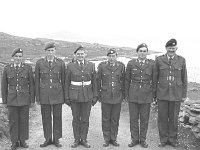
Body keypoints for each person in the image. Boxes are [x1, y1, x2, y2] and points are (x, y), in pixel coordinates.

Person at [154, 39, 187, 147]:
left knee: (173, 118)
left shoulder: (181, 60)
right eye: (170, 48)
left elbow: (184, 78)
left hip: (176, 94)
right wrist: (155, 95)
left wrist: (184, 95)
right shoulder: (159, 60)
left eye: (173, 48)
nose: (171, 50)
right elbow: (155, 78)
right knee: (162, 118)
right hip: (162, 93)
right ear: (166, 48)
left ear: (176, 48)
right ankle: (163, 140)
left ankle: (172, 140)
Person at [1, 48, 35, 150]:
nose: (18, 58)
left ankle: (23, 140)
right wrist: (4, 101)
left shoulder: (27, 68)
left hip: (24, 98)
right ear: (13, 57)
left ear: (22, 58)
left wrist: (32, 100)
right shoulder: (7, 69)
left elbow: (32, 85)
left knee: (24, 120)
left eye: (20, 56)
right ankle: (14, 142)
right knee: (13, 121)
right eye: (16, 56)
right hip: (11, 99)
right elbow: (3, 86)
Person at [65, 45, 98, 148]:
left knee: (85, 119)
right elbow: (66, 83)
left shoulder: (91, 65)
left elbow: (94, 82)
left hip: (87, 96)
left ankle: (83, 139)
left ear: (85, 55)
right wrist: (67, 97)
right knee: (75, 119)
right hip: (74, 96)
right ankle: (76, 140)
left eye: (82, 54)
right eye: (78, 54)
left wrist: (95, 96)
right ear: (75, 55)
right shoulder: (70, 66)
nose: (80, 56)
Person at [35, 42, 65, 148]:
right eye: (48, 51)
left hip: (57, 94)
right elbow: (37, 81)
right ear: (45, 52)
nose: (50, 52)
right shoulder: (39, 63)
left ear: (55, 51)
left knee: (57, 117)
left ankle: (56, 139)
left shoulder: (61, 63)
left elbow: (64, 81)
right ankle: (47, 139)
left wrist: (64, 97)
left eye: (52, 50)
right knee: (46, 118)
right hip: (44, 95)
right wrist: (37, 96)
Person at [125, 43, 156, 148]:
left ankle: (143, 140)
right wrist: (126, 95)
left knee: (144, 119)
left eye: (144, 51)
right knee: (133, 119)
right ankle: (134, 139)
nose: (142, 53)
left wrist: (153, 96)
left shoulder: (152, 64)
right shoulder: (131, 63)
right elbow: (127, 80)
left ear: (147, 52)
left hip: (146, 95)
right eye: (140, 51)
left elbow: (154, 81)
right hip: (133, 94)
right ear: (137, 52)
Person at [97, 48, 125, 147]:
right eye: (110, 56)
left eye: (113, 56)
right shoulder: (102, 66)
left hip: (117, 96)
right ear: (107, 57)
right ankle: (106, 139)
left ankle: (114, 138)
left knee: (115, 119)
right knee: (105, 118)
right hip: (105, 96)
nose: (111, 58)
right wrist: (98, 95)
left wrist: (124, 95)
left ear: (116, 56)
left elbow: (123, 81)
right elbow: (98, 81)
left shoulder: (121, 66)